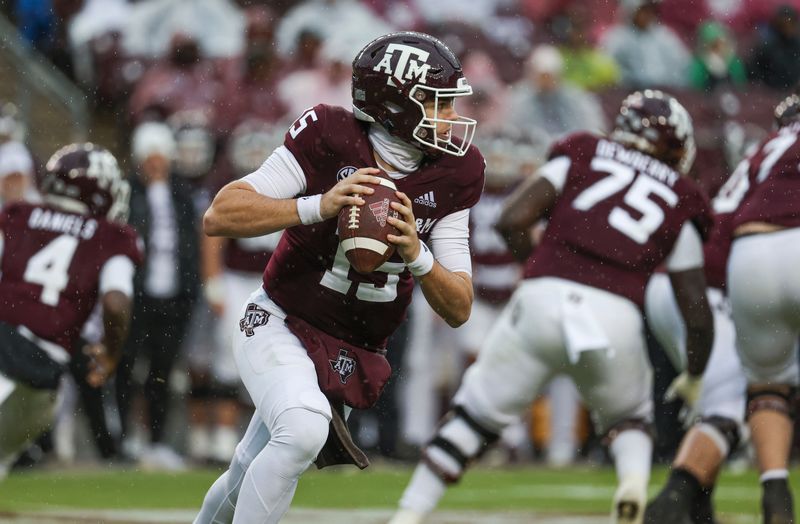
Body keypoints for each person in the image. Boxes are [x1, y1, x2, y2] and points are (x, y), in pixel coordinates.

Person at [193, 31, 485, 524]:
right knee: (303, 430)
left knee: (249, 468)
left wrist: (418, 255)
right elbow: (220, 214)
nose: (451, 118)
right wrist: (317, 206)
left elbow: (459, 307)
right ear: (398, 105)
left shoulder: (456, 173)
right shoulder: (328, 135)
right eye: (438, 103)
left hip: (352, 346)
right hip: (281, 319)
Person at [389, 90, 715, 524]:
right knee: (629, 420)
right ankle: (632, 487)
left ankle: (409, 513)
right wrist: (694, 374)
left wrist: (542, 269)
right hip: (614, 315)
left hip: (542, 299)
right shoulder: (681, 194)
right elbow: (695, 306)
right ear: (675, 146)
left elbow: (512, 220)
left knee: (474, 417)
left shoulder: (583, 151)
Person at [0, 143, 141, 478]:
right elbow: (116, 302)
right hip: (43, 378)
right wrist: (109, 353)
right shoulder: (112, 236)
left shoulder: (17, 215)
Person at [721, 93, 800, 524]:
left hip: (752, 253)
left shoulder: (763, 150)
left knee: (768, 383)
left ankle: (775, 489)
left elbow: (724, 212)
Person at [643, 203, 746, 523]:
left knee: (707, 406)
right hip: (704, 290)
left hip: (669, 285)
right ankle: (667, 508)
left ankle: (700, 513)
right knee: (726, 410)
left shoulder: (758, 173)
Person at [115, 122, 199, 470]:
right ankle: (124, 437)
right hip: (137, 293)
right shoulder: (127, 193)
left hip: (173, 295)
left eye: (160, 158)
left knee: (162, 370)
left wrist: (193, 289)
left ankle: (158, 441)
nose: (155, 165)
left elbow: (190, 244)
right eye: (150, 159)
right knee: (128, 366)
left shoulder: (182, 194)